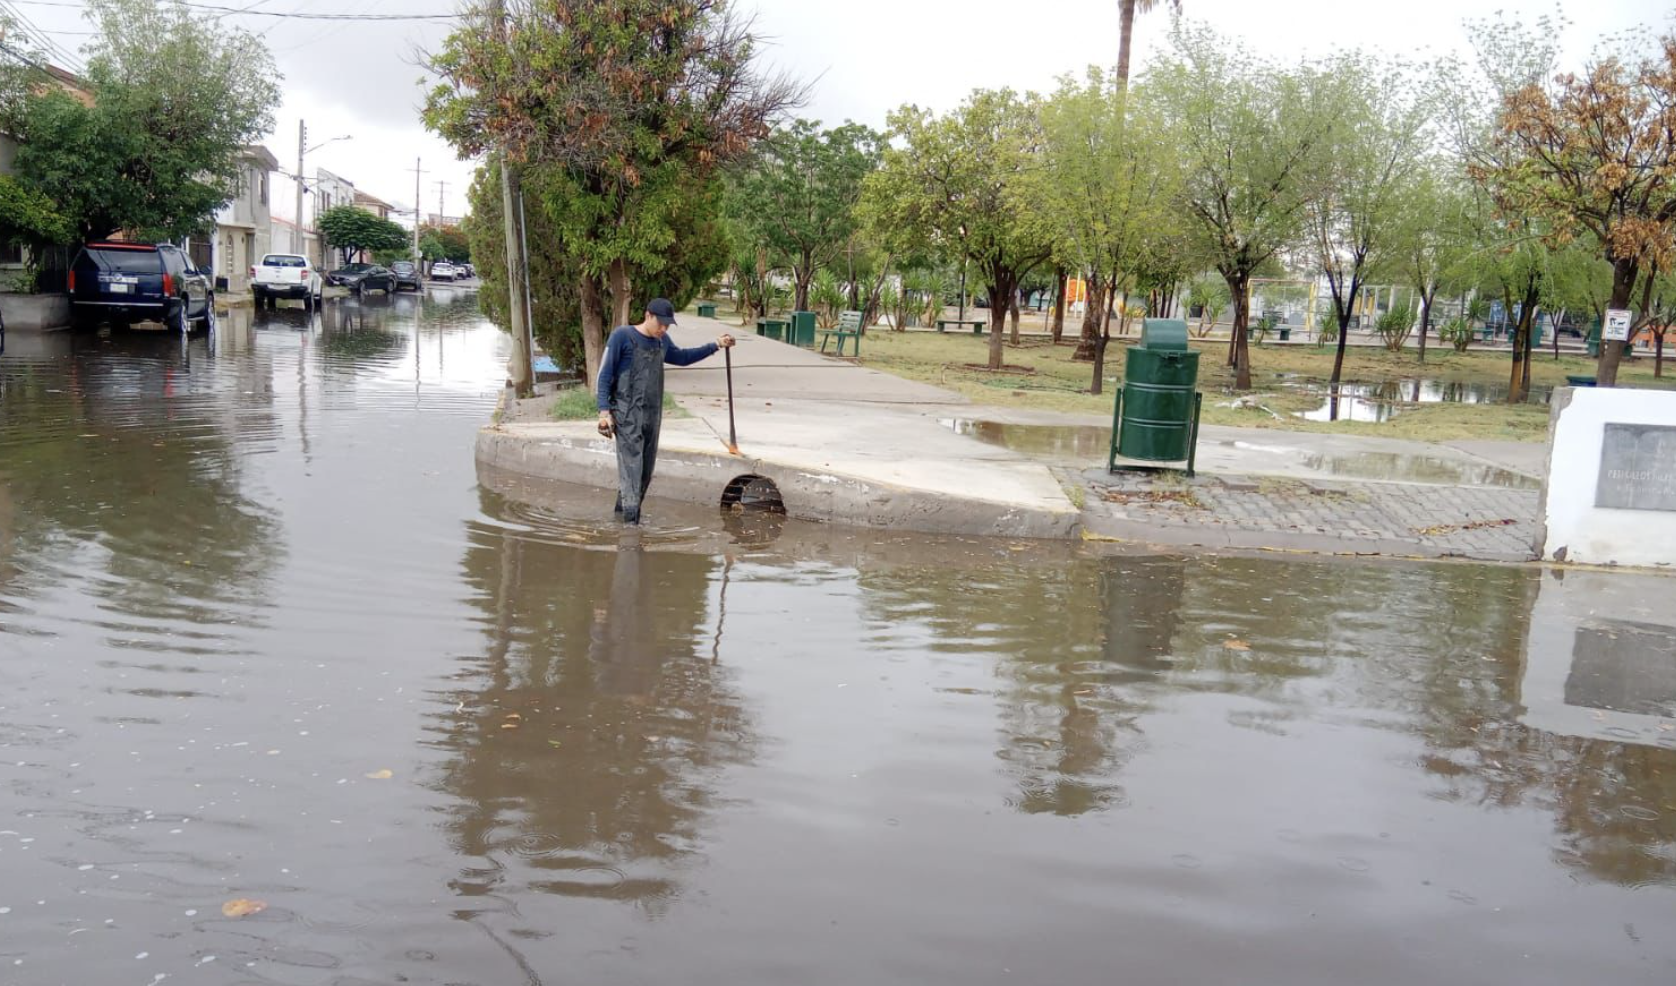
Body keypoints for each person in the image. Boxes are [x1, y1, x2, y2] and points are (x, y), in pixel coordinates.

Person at [596, 298, 735, 524]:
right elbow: (604, 376)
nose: (663, 329)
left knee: (644, 473)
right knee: (632, 469)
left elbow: (682, 358)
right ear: (648, 315)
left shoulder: (662, 342)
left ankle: (620, 518)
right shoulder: (622, 336)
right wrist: (604, 413)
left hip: (652, 415)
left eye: (667, 326)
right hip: (626, 415)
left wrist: (715, 345)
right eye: (660, 323)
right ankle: (631, 532)